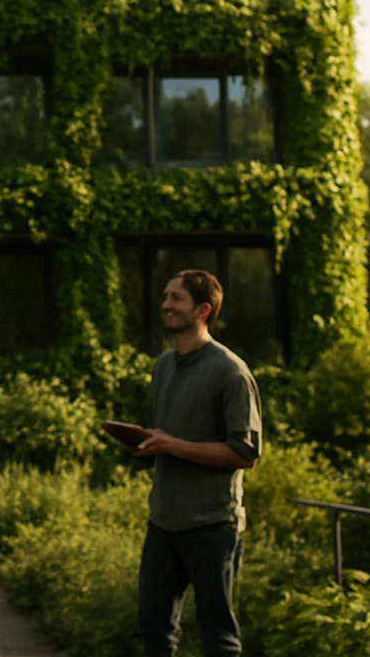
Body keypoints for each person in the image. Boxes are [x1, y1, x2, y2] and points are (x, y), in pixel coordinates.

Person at [131, 269, 263, 657]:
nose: (166, 305)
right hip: (163, 521)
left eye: (176, 299)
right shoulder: (164, 366)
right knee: (153, 628)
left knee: (218, 637)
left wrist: (172, 445)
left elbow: (246, 453)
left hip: (212, 524)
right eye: (166, 296)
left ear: (203, 309)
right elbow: (171, 437)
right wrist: (150, 443)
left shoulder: (231, 372)